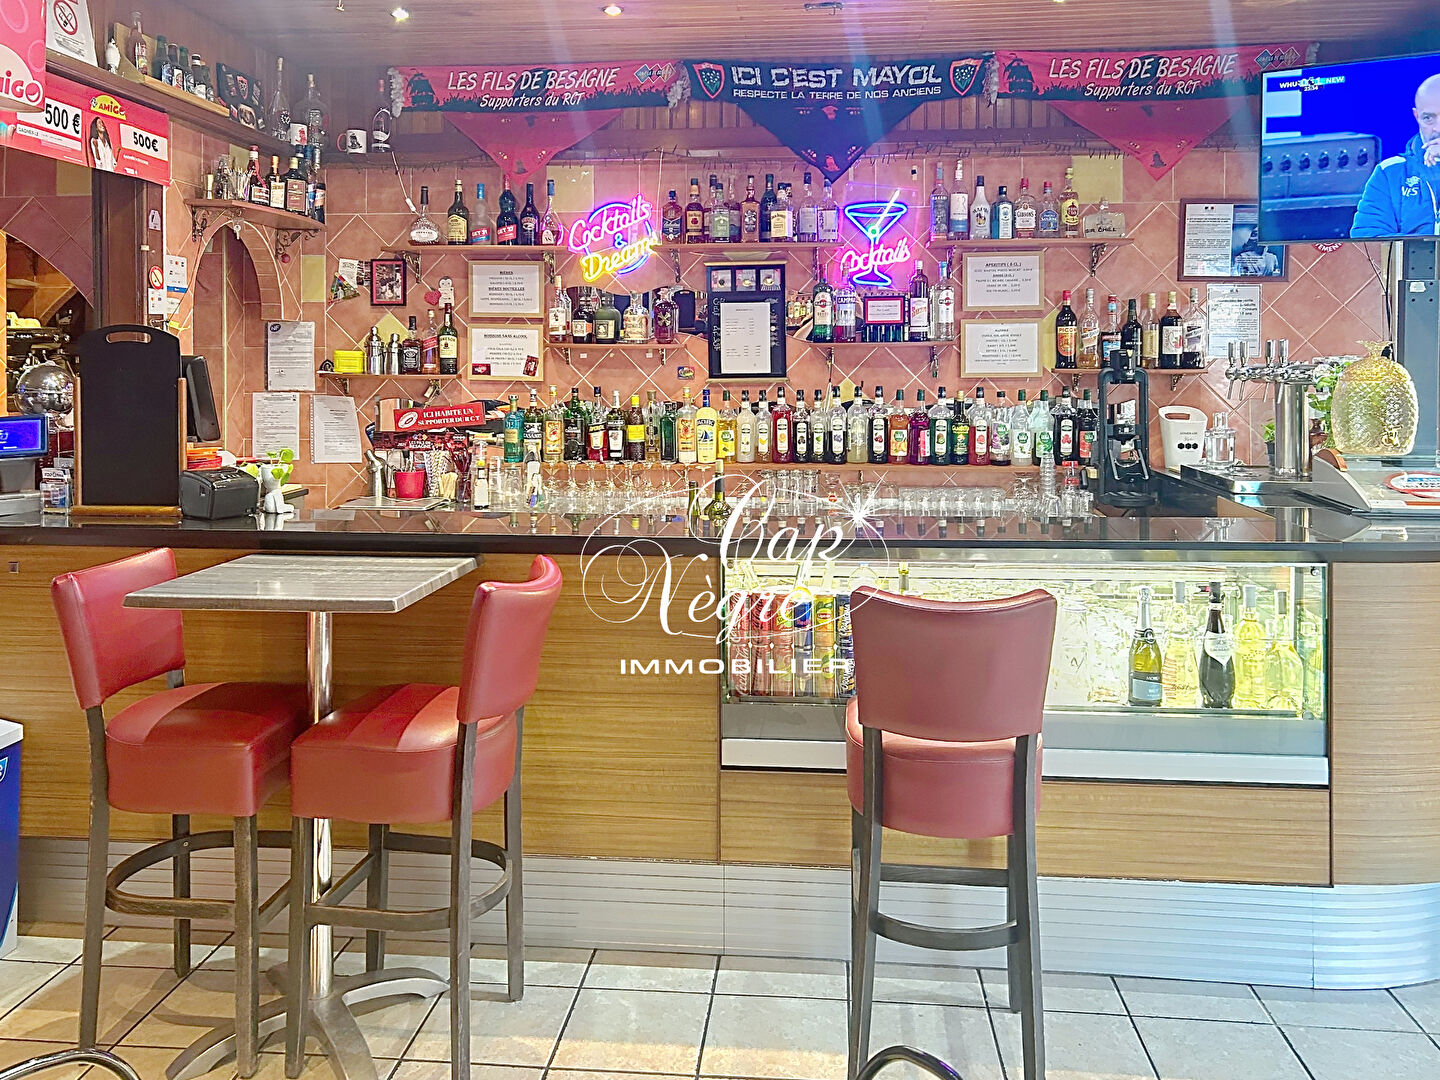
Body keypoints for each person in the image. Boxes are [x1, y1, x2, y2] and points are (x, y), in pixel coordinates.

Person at [1351, 73, 1440, 237]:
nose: (1438, 128)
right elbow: (1368, 237)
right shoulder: (1389, 172)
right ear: (1416, 116)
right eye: (1428, 118)